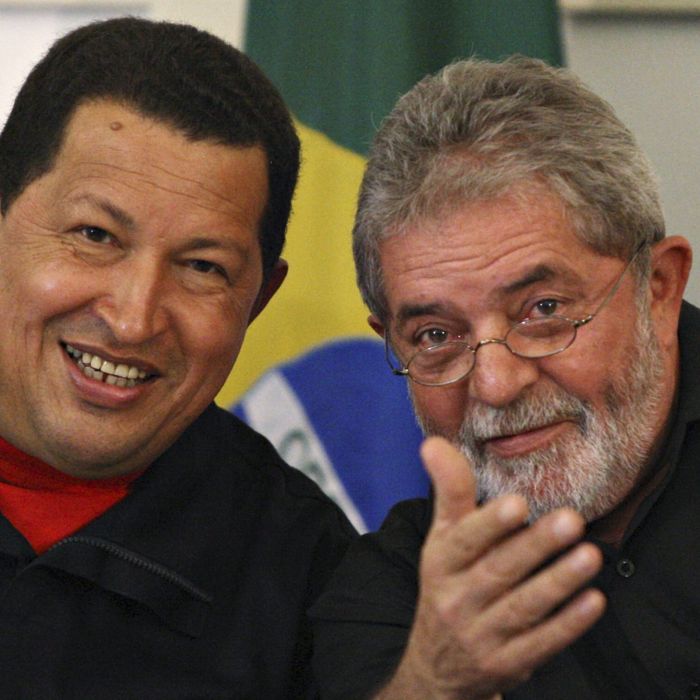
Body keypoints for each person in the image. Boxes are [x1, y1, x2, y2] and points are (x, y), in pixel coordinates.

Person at [310, 56, 697, 699]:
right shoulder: (401, 597)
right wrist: (434, 684)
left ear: (657, 291)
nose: (493, 384)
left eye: (543, 311)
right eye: (436, 336)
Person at [0, 16, 355, 698]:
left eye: (202, 267)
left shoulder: (314, 583)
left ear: (259, 299)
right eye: (95, 235)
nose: (133, 319)